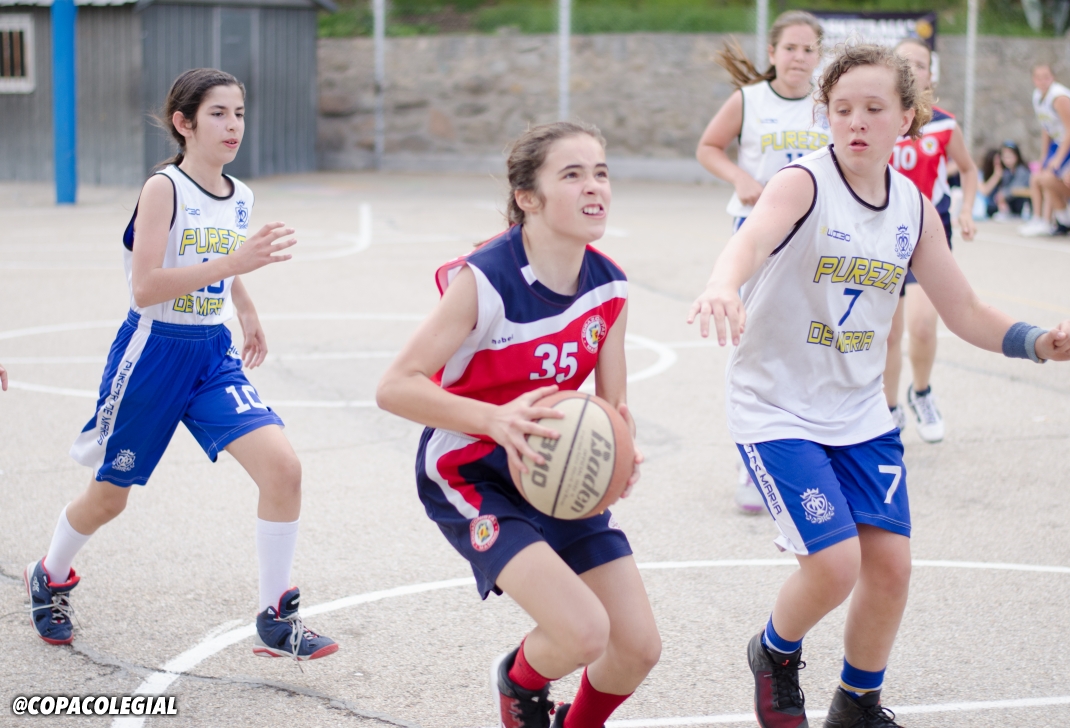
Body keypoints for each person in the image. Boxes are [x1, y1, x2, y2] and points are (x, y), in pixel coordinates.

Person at [688, 44, 1070, 728]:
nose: (856, 121)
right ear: (825, 115)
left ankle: (857, 704)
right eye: (842, 108)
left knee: (891, 567)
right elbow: (749, 242)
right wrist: (723, 284)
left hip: (859, 412)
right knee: (834, 564)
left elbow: (964, 309)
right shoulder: (802, 183)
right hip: (777, 407)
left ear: (907, 118)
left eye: (874, 108)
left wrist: (1035, 343)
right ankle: (774, 652)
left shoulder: (913, 207)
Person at [24, 68, 338, 662]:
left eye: (239, 113)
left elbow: (223, 260)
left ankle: (275, 618)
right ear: (183, 123)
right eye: (218, 113)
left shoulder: (240, 195)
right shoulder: (163, 188)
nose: (233, 125)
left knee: (284, 470)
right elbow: (146, 286)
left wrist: (246, 308)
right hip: (153, 353)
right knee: (109, 497)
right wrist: (235, 265)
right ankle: (49, 573)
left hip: (211, 354)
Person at [375, 122, 659, 728]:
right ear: (528, 197)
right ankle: (519, 682)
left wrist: (623, 456)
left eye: (601, 172)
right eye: (573, 174)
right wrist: (495, 419)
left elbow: (613, 406)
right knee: (583, 633)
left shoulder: (609, 285)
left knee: (636, 649)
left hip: (555, 465)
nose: (594, 187)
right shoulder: (485, 281)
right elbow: (395, 386)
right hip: (472, 469)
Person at [696, 9, 829, 513]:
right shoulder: (749, 100)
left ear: (819, 56)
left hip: (814, 239)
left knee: (810, 346)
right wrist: (740, 178)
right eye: (790, 48)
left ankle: (810, 450)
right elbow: (708, 147)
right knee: (755, 345)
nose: (799, 57)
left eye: (809, 49)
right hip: (756, 236)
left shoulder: (827, 105)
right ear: (772, 53)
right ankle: (750, 463)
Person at [883, 38, 979, 443]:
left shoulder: (943, 124)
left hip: (928, 232)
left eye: (920, 64)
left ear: (930, 74)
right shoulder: (880, 118)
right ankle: (888, 410)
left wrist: (966, 210)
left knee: (922, 327)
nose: (912, 69)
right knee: (888, 333)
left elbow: (969, 170)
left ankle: (921, 393)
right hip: (883, 232)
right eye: (904, 62)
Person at [1020, 64, 1070, 237]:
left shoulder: (1059, 97)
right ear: (1033, 80)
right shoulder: (1038, 96)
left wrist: (1058, 159)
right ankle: (1044, 220)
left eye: (1046, 76)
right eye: (1038, 77)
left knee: (1049, 178)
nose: (1042, 81)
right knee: (1037, 177)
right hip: (1060, 142)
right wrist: (1044, 156)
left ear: (1052, 77)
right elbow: (1046, 127)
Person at [980, 141, 1031, 219]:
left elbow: (1017, 187)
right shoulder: (1006, 172)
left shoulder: (1022, 170)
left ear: (1016, 156)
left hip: (1021, 205)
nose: (1007, 160)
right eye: (1004, 157)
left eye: (1009, 156)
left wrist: (1003, 195)